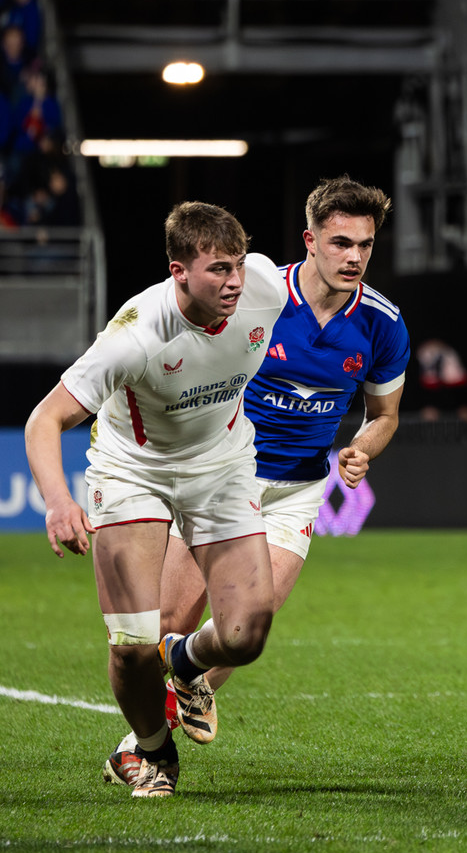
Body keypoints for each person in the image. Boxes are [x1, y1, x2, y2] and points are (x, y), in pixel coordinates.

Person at [100, 178, 409, 781]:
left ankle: (142, 748)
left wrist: (361, 449)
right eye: (341, 241)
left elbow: (385, 415)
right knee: (166, 626)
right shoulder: (257, 293)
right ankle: (146, 737)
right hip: (221, 477)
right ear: (310, 239)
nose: (354, 257)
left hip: (297, 490)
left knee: (243, 630)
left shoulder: (382, 324)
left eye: (365, 245)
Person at [24, 203, 289, 798]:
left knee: (247, 632)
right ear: (179, 271)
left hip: (221, 466)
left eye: (239, 264)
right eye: (219, 269)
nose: (235, 281)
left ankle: (188, 661)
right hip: (133, 474)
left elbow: (325, 278)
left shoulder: (265, 287)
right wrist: (60, 502)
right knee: (132, 651)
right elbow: (44, 420)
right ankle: (153, 752)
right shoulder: (135, 336)